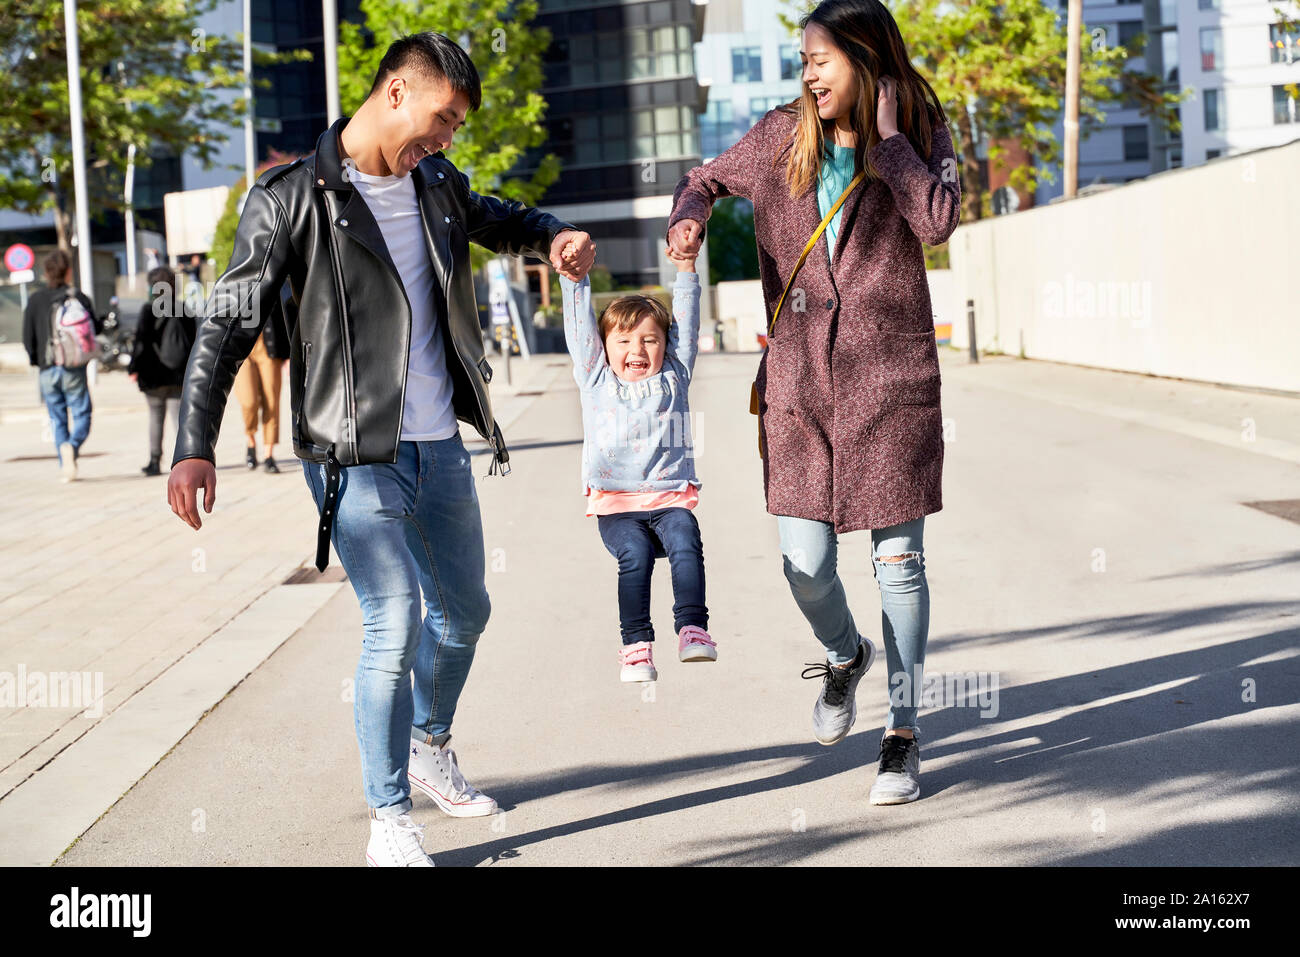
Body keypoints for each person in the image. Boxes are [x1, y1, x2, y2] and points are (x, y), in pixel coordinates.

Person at [167, 32, 595, 866]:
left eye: (458, 128)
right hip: (350, 450)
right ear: (397, 92)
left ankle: (431, 743)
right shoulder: (292, 197)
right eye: (442, 119)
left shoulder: (435, 182)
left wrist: (552, 236)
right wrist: (194, 443)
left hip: (439, 443)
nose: (446, 140)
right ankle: (389, 816)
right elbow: (228, 321)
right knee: (392, 620)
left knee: (465, 611)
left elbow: (499, 218)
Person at [666, 0, 960, 805]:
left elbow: (936, 222)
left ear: (865, 60)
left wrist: (893, 145)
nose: (808, 74)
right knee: (805, 562)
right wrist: (689, 220)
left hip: (892, 380)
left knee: (899, 562)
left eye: (821, 60)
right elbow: (702, 179)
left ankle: (902, 733)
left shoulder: (925, 128)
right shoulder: (779, 134)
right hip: (799, 384)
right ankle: (844, 654)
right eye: (804, 60)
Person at [560, 241, 714, 684]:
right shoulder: (595, 379)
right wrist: (575, 279)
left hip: (669, 498)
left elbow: (686, 318)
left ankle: (692, 629)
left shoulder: (675, 373)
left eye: (650, 339)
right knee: (636, 556)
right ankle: (636, 649)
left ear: (666, 346)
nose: (638, 349)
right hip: (617, 504)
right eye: (623, 340)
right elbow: (578, 329)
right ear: (604, 347)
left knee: (685, 542)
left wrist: (685, 267)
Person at [22, 249, 101, 483]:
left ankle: (64, 465)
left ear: (45, 272)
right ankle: (72, 446)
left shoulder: (35, 299)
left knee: (57, 417)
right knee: (82, 412)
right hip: (73, 366)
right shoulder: (77, 296)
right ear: (68, 271)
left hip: (47, 368)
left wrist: (37, 359)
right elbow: (94, 329)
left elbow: (27, 336)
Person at [128, 265, 196, 476]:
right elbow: (195, 342)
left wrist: (133, 368)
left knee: (156, 417)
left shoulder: (148, 310)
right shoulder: (184, 308)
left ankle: (154, 461)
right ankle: (183, 461)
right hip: (178, 374)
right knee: (179, 418)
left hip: (153, 374)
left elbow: (140, 342)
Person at [231, 286, 293, 472]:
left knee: (271, 401)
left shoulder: (276, 282)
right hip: (243, 352)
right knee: (248, 401)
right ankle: (250, 440)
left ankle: (269, 454)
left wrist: (289, 355)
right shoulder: (235, 285)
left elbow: (287, 318)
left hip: (270, 350)